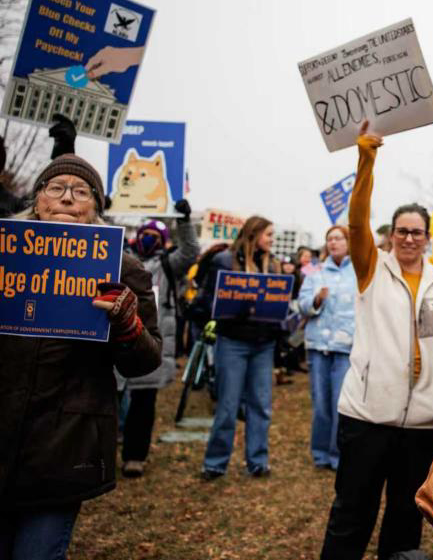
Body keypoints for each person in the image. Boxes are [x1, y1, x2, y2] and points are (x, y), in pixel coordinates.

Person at [0, 154, 161, 559]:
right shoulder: (5, 255)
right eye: (56, 188)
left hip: (63, 444)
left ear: (95, 208)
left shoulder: (124, 269)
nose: (67, 199)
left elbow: (145, 361)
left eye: (81, 191)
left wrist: (128, 325)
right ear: (38, 201)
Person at [319, 122, 433, 560]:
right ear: (391, 235)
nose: (409, 239)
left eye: (417, 232)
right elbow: (356, 219)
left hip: (424, 424)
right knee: (351, 516)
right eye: (402, 231)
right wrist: (366, 158)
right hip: (366, 416)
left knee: (404, 522)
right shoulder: (371, 269)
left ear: (428, 237)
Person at [118, 205, 199, 478]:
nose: (149, 238)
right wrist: (103, 213)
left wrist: (185, 221)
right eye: (146, 233)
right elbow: (98, 244)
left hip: (149, 338)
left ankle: (134, 456)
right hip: (116, 335)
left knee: (143, 403)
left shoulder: (168, 265)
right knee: (108, 398)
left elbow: (190, 252)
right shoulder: (121, 258)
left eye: (155, 234)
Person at [200, 216, 282, 480]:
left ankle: (258, 461)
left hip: (263, 343)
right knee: (227, 404)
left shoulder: (275, 265)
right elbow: (209, 299)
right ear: (254, 234)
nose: (272, 239)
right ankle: (215, 463)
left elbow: (280, 301)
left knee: (260, 405)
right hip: (232, 341)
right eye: (269, 234)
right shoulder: (225, 260)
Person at [297, 225, 356, 470]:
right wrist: (316, 300)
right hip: (318, 345)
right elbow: (301, 304)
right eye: (329, 239)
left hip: (347, 347)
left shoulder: (360, 272)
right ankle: (320, 453)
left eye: (338, 238)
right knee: (321, 403)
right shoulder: (315, 271)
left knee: (340, 404)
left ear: (348, 242)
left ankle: (338, 455)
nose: (333, 242)